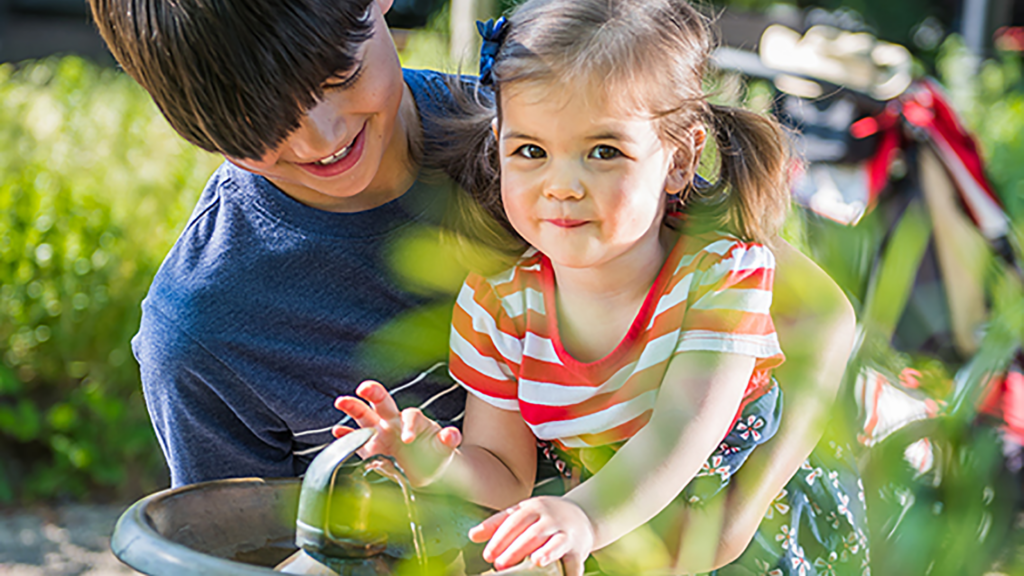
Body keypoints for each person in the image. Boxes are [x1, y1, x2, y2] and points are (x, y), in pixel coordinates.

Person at [333, 1, 868, 575]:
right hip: (608, 538)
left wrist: (582, 519)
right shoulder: (502, 303)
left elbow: (677, 435)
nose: (562, 185)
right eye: (531, 151)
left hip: (747, 543)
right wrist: (438, 462)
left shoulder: (718, 276)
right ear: (499, 143)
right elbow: (506, 470)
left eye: (604, 152)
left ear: (680, 160)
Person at [87, 0, 476, 486]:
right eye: (259, 118)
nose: (320, 138)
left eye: (340, 76)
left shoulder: (547, 147)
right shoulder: (206, 333)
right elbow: (245, 554)